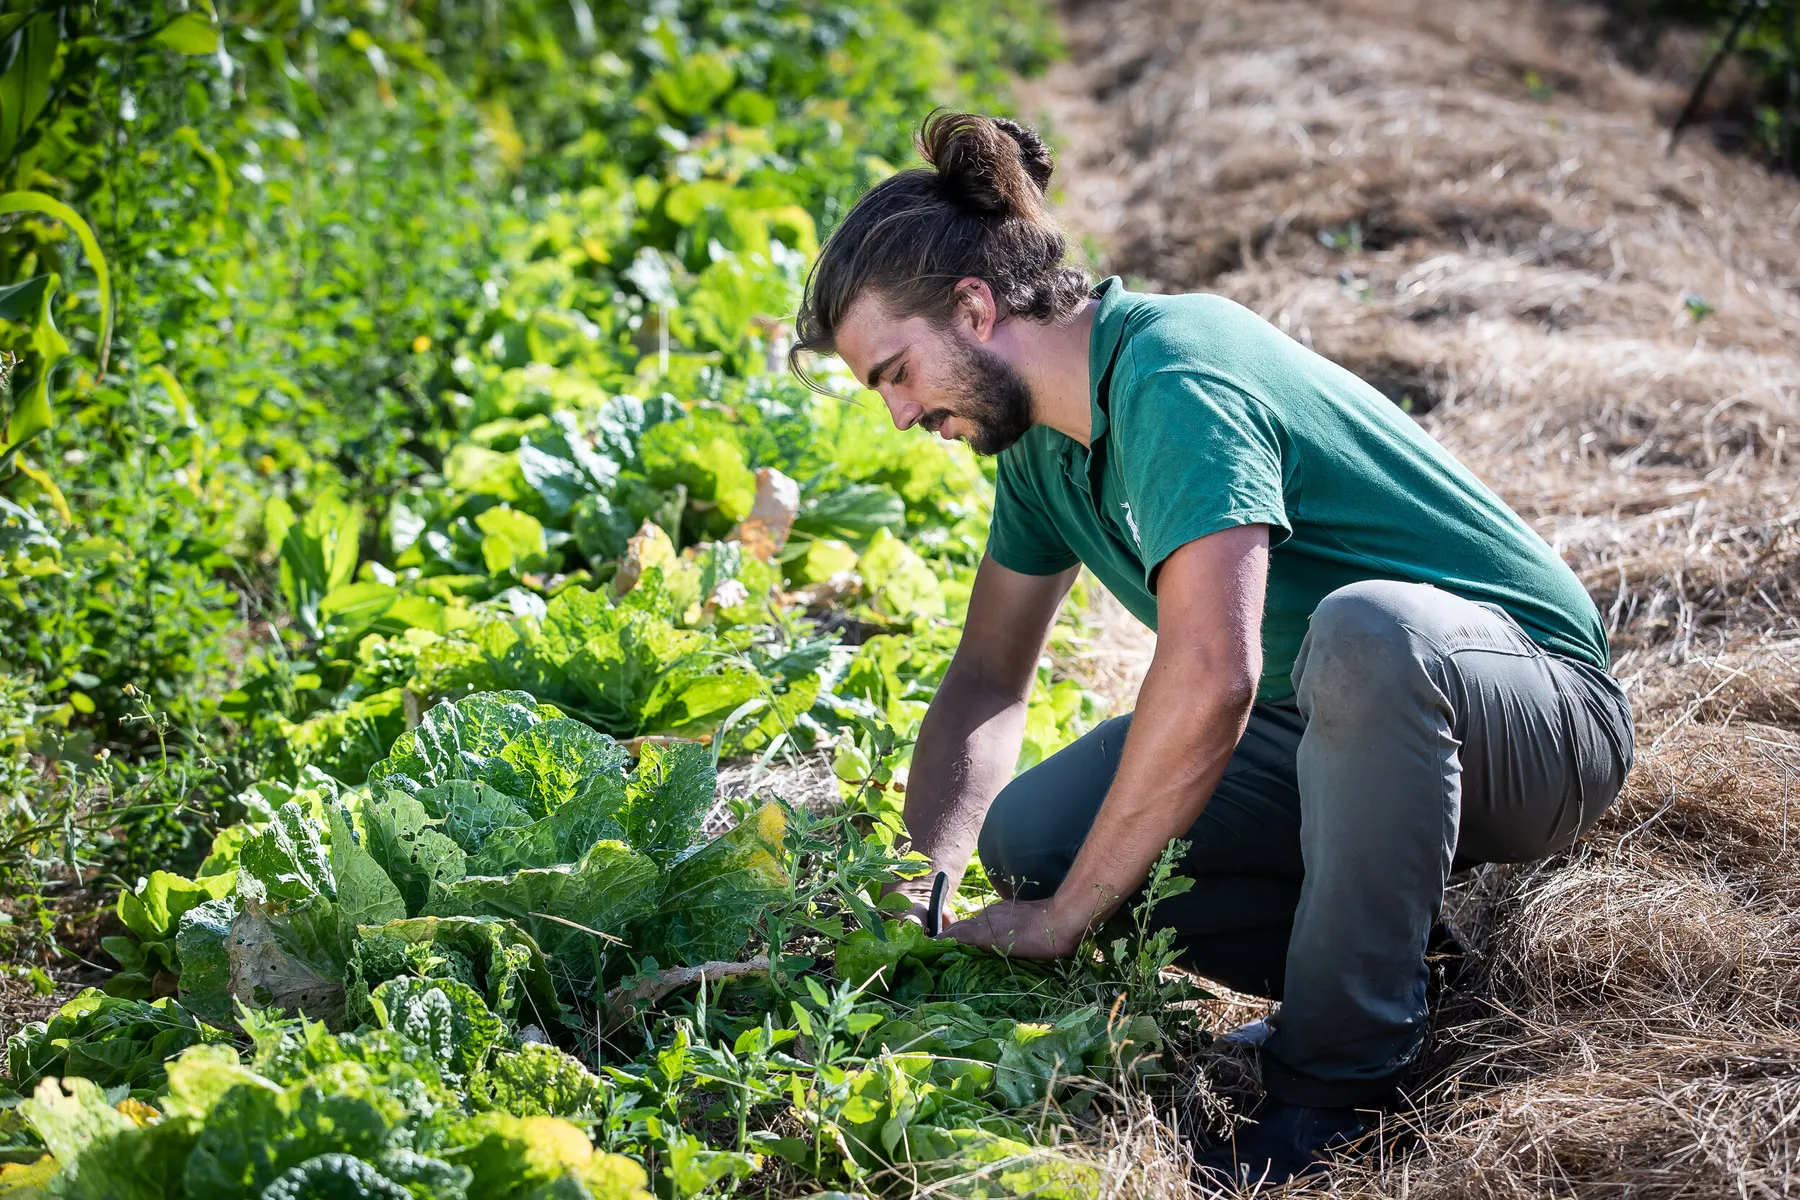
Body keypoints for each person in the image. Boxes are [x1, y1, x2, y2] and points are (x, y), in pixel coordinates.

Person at [787, 110, 1634, 1188]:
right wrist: (932, 885)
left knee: (1365, 632)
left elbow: (1215, 677)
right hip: (1340, 726)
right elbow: (988, 676)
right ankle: (1403, 970)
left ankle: (1337, 1089)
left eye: (897, 373)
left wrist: (1067, 922)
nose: (902, 415)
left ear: (973, 308)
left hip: (1535, 717)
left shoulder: (1175, 374)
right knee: (1037, 839)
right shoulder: (1041, 449)